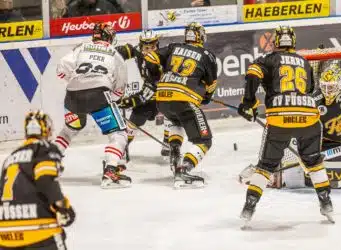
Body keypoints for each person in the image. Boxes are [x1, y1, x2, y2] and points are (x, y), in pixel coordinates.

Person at [237, 26, 333, 224]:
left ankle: (249, 208)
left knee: (266, 166)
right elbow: (310, 89)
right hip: (309, 115)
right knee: (314, 162)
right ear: (294, 42)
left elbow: (252, 75)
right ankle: (326, 203)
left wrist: (248, 103)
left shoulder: (267, 59)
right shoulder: (304, 62)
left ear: (276, 42)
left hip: (280, 117)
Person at [54, 22, 131, 189]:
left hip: (73, 95)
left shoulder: (82, 47)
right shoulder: (115, 54)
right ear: (110, 36)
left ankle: (48, 163)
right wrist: (107, 100)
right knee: (119, 133)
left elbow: (61, 69)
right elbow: (119, 90)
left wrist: (79, 82)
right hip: (99, 95)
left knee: (69, 130)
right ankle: (110, 172)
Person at [147, 22, 218, 188]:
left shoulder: (173, 47)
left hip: (162, 98)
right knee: (204, 140)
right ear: (200, 36)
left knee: (176, 120)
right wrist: (206, 97)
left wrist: (157, 78)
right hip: (183, 99)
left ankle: (174, 150)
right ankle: (183, 169)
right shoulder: (207, 55)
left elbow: (150, 58)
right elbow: (211, 84)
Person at [0, 110, 75, 249]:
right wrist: (63, 208)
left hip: (4, 235)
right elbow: (46, 181)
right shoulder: (44, 149)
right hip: (39, 229)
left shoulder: (9, 159)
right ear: (46, 130)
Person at [116, 29, 172, 158]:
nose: (150, 50)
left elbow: (150, 90)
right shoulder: (137, 51)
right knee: (134, 121)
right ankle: (121, 147)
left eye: (153, 47)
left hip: (164, 92)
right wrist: (108, 55)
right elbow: (123, 51)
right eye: (146, 47)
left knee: (171, 114)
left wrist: (130, 101)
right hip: (149, 93)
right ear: (141, 46)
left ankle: (168, 142)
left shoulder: (162, 58)